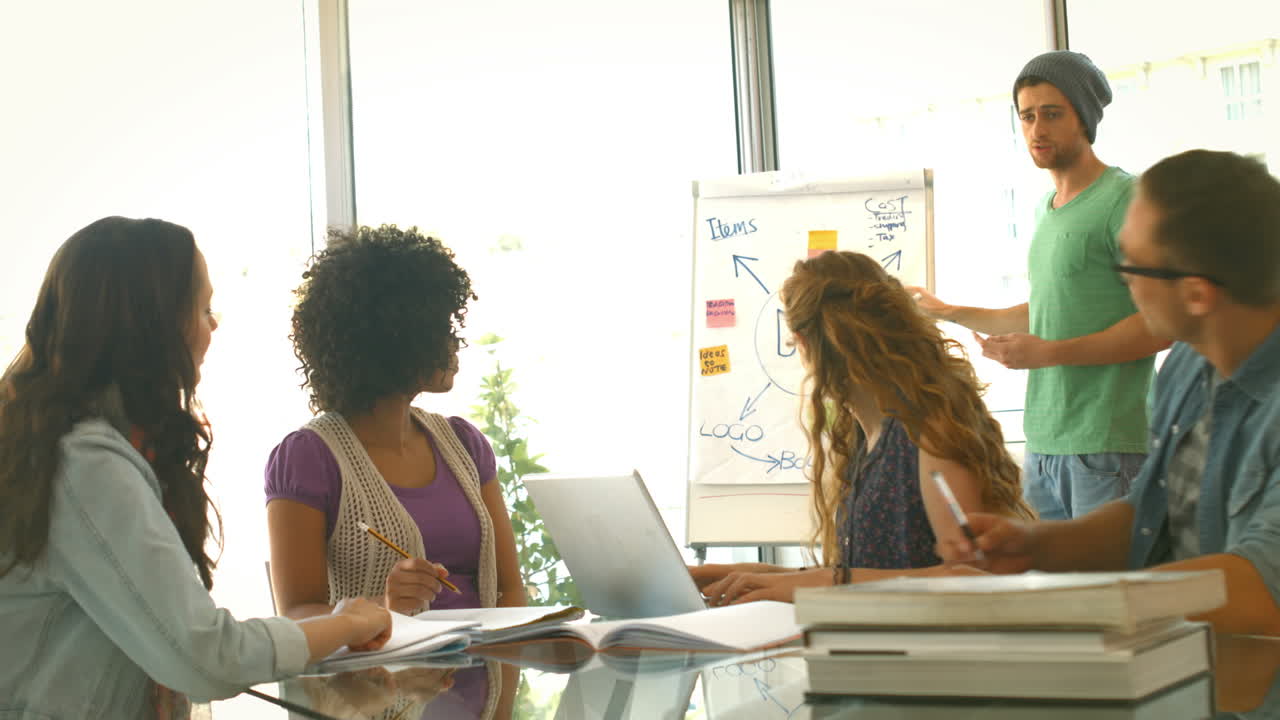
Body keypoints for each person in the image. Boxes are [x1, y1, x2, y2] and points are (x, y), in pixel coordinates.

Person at [0, 217, 391, 719]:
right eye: (204, 308)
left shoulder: (67, 444)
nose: (215, 325)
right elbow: (206, 656)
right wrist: (348, 623)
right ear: (153, 326)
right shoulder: (85, 465)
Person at [938, 150, 1280, 637]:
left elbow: (1261, 587)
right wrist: (1036, 545)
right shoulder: (1188, 366)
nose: (1124, 282)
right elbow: (1145, 514)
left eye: (1132, 267)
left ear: (1197, 295)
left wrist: (1077, 605)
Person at [264, 224, 524, 719]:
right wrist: (382, 610)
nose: (455, 343)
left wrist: (502, 709)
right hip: (372, 702)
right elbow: (295, 616)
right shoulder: (309, 458)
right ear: (397, 338)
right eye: (441, 328)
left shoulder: (465, 445)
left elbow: (509, 589)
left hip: (481, 696)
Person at [909, 51, 1169, 520]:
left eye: (1052, 114)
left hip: (1108, 446)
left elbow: (1161, 325)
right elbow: (1048, 310)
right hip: (1045, 446)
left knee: (1105, 572)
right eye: (1027, 116)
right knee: (1048, 572)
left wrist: (1049, 353)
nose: (1036, 129)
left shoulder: (1125, 199)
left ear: (1083, 119)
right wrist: (947, 312)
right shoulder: (1046, 208)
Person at [692, 251, 1035, 606]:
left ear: (804, 343)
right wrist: (750, 576)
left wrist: (826, 581)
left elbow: (973, 578)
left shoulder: (930, 432)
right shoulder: (863, 436)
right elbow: (872, 574)